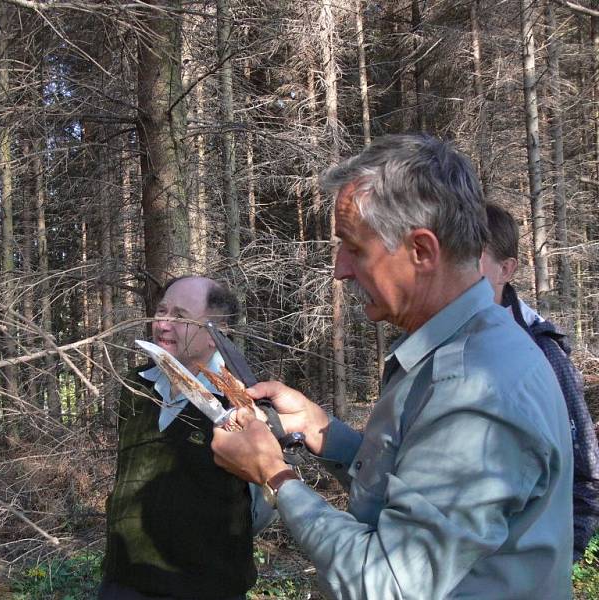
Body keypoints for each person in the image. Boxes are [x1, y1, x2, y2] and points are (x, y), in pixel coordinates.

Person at [211, 134, 574, 599]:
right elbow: (416, 488)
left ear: (421, 251)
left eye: (355, 248)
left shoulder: (474, 384)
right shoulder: (456, 351)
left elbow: (385, 584)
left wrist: (274, 474)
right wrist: (326, 433)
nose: (340, 270)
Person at [99, 276, 273, 600]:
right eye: (161, 310)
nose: (163, 323)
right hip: (123, 581)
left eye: (179, 316)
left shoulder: (240, 402)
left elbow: (265, 502)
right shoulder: (136, 385)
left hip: (206, 589)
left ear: (216, 331)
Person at [481, 202, 599, 561]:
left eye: (472, 258)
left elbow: (586, 473)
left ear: (506, 269)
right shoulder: (434, 346)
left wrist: (562, 561)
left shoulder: (543, 353)